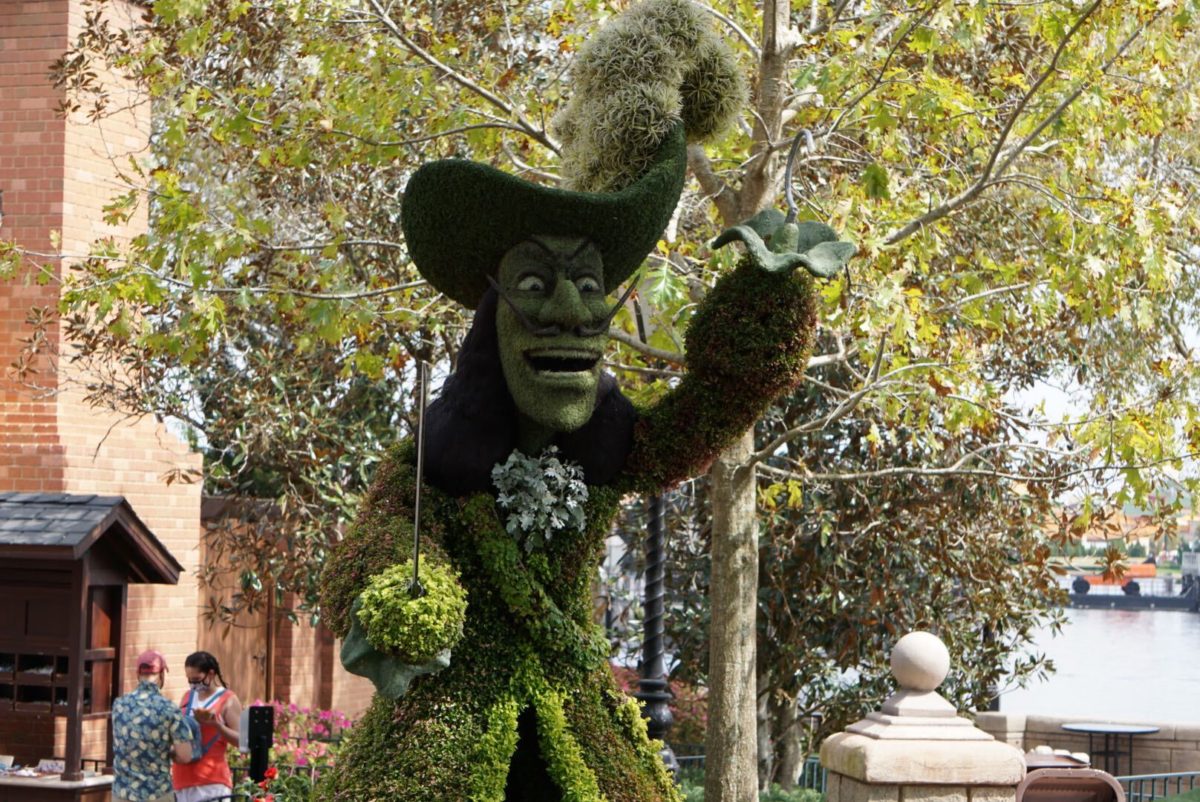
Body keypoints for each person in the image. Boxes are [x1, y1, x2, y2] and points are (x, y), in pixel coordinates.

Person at [111, 649, 193, 802]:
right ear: (161, 675)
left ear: (137, 674)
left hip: (122, 793)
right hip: (157, 793)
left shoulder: (119, 705)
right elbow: (185, 755)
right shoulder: (169, 709)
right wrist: (166, 751)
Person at [172, 651, 242, 802]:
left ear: (211, 674)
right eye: (190, 680)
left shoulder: (228, 699)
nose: (193, 684)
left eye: (197, 679)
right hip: (182, 780)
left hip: (211, 782)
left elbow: (242, 741)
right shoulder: (187, 696)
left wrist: (217, 725)